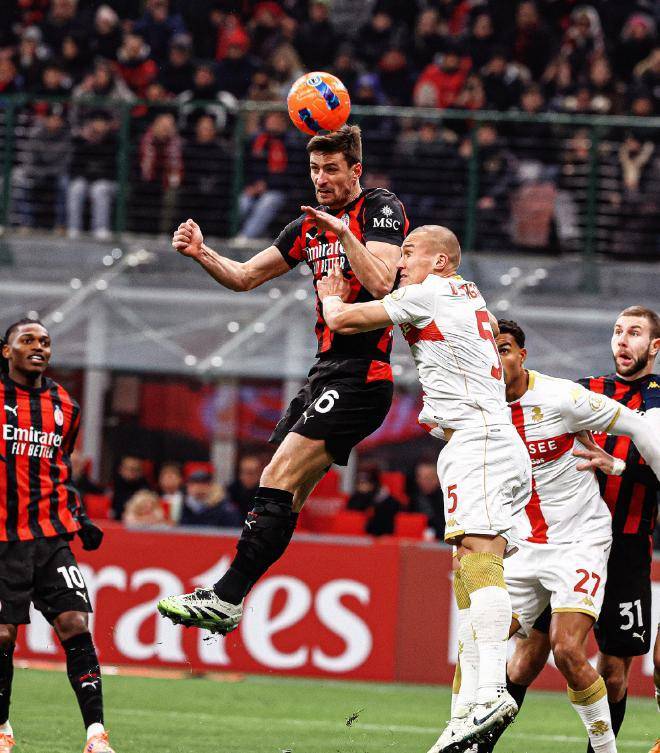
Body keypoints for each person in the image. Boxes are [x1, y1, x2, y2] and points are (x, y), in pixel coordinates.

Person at [158, 124, 407, 636]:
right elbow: (245, 276)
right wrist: (202, 252)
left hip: (364, 372)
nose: (321, 178)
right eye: (315, 169)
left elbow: (385, 283)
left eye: (331, 169)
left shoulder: (380, 208)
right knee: (283, 492)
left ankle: (226, 596)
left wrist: (344, 234)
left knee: (278, 472)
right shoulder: (305, 228)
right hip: (325, 373)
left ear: (355, 171)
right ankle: (231, 596)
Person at [317, 225, 532, 750]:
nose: (400, 261)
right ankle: (465, 713)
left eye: (409, 252)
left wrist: (330, 291)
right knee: (469, 571)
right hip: (487, 440)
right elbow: (473, 322)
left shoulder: (430, 292)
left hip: (479, 441)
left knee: (479, 562)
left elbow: (343, 320)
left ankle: (491, 692)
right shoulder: (466, 293)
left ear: (440, 261)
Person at [479, 306, 660, 753]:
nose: (623, 340)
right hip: (566, 540)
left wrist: (619, 466)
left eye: (635, 333)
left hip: (627, 545)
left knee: (613, 670)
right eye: (617, 331)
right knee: (525, 660)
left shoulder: (657, 401)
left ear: (655, 346)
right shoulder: (584, 391)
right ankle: (477, 745)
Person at [0, 319, 114, 753]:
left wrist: (79, 516)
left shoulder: (65, 405)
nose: (39, 347)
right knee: (3, 636)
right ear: (6, 351)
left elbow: (58, 469)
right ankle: (2, 728)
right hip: (2, 540)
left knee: (74, 623)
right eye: (27, 340)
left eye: (45, 342)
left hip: (50, 538)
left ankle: (96, 735)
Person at [346, 464, 400, 536]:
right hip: (359, 537)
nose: (360, 486)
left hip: (382, 537)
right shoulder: (356, 498)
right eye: (358, 483)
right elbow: (351, 515)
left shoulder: (389, 502)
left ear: (373, 484)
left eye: (364, 482)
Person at [408, 460, 444, 540]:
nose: (424, 481)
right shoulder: (413, 499)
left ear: (437, 479)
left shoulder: (446, 501)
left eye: (428, 477)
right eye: (420, 477)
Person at [110, 455, 149, 521]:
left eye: (135, 469)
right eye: (127, 468)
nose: (131, 472)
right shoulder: (114, 486)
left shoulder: (145, 491)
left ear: (140, 472)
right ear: (120, 470)